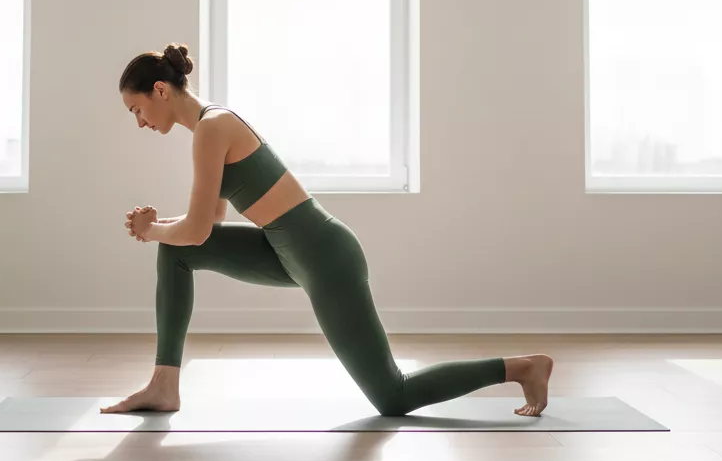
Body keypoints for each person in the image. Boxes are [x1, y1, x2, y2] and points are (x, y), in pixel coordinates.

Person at [101, 42, 553, 417]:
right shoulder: (209, 128)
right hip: (286, 251)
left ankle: (520, 368)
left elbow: (199, 229)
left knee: (393, 396)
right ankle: (164, 385)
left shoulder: (212, 128)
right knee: (176, 251)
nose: (139, 121)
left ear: (160, 90)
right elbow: (210, 224)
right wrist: (159, 229)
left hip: (324, 255)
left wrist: (151, 229)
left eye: (136, 109)